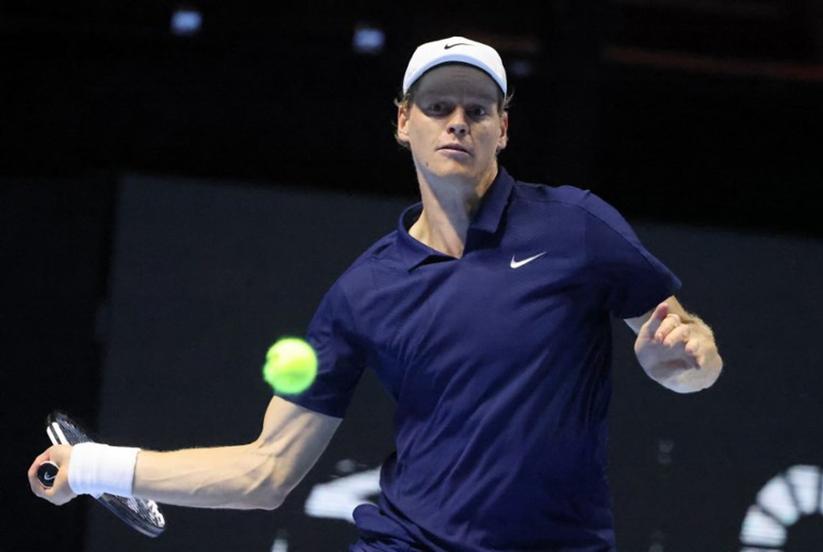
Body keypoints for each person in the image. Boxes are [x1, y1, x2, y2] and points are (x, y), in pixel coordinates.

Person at [29, 36, 723, 551]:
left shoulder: (576, 227)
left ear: (503, 129)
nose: (458, 121)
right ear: (403, 121)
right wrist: (92, 467)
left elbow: (691, 353)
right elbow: (265, 471)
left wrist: (684, 363)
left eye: (478, 109)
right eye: (438, 106)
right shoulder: (365, 291)